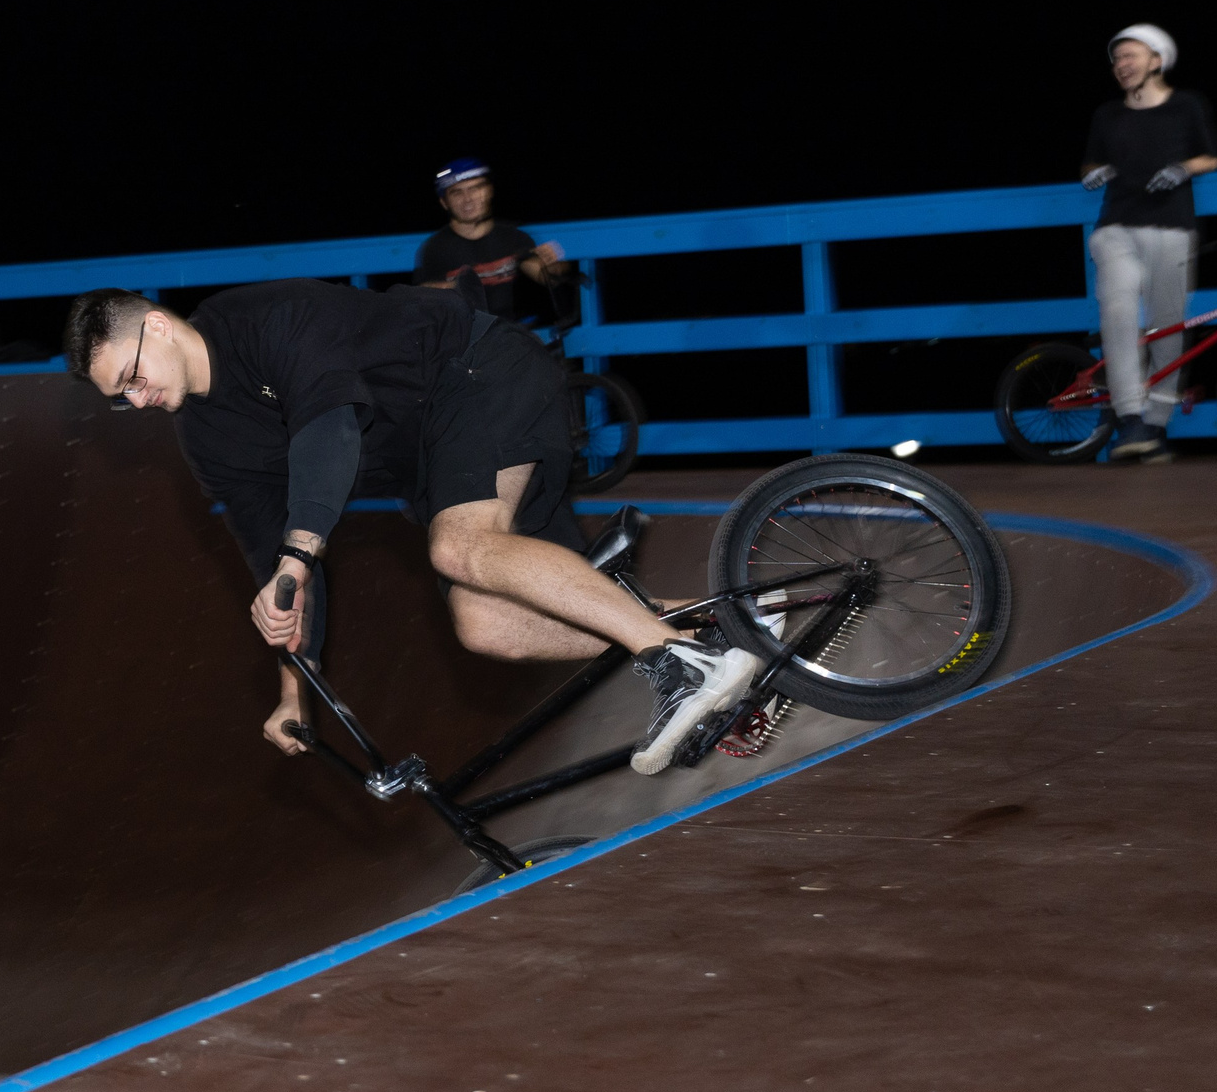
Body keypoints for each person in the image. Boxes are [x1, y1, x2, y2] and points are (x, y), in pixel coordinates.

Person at [62, 280, 760, 775]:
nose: (138, 400)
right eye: (121, 398)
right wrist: (293, 688)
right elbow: (268, 556)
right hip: (438, 464)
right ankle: (731, 627)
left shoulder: (268, 319)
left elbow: (329, 432)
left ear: (157, 326)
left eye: (131, 377)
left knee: (458, 546)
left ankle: (678, 661)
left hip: (475, 372)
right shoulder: (207, 438)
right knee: (486, 625)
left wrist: (298, 555)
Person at [1080, 24, 1217, 461]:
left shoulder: (1187, 105)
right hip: (1116, 227)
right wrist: (1093, 173)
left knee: (1167, 325)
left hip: (1172, 228)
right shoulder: (1107, 114)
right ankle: (1129, 418)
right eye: (1117, 59)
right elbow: (1090, 161)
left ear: (1156, 60)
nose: (1121, 65)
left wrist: (1184, 168)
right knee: (1119, 312)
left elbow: (1213, 155)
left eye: (1131, 56)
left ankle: (1156, 425)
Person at [414, 157, 564, 323]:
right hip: (463, 334)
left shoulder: (514, 237)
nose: (468, 199)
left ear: (489, 190)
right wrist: (437, 294)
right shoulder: (435, 249)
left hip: (511, 330)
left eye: (475, 188)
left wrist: (552, 265)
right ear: (444, 202)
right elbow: (422, 303)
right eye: (457, 192)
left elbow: (546, 277)